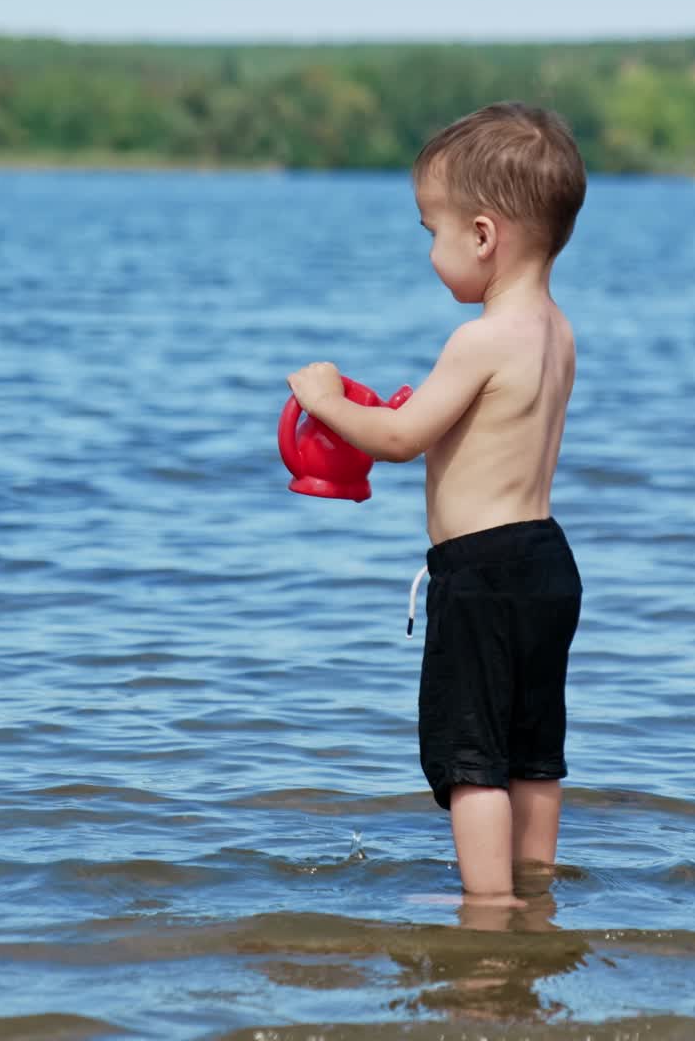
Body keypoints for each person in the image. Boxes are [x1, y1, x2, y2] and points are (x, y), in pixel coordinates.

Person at [286, 102, 586, 908]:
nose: (430, 250)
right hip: (547, 564)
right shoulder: (556, 330)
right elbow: (488, 430)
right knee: (534, 749)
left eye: (433, 231)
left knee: (471, 757)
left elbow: (396, 439)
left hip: (481, 571)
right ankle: (535, 890)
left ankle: (487, 912)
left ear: (484, 236)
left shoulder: (479, 339)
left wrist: (324, 399)